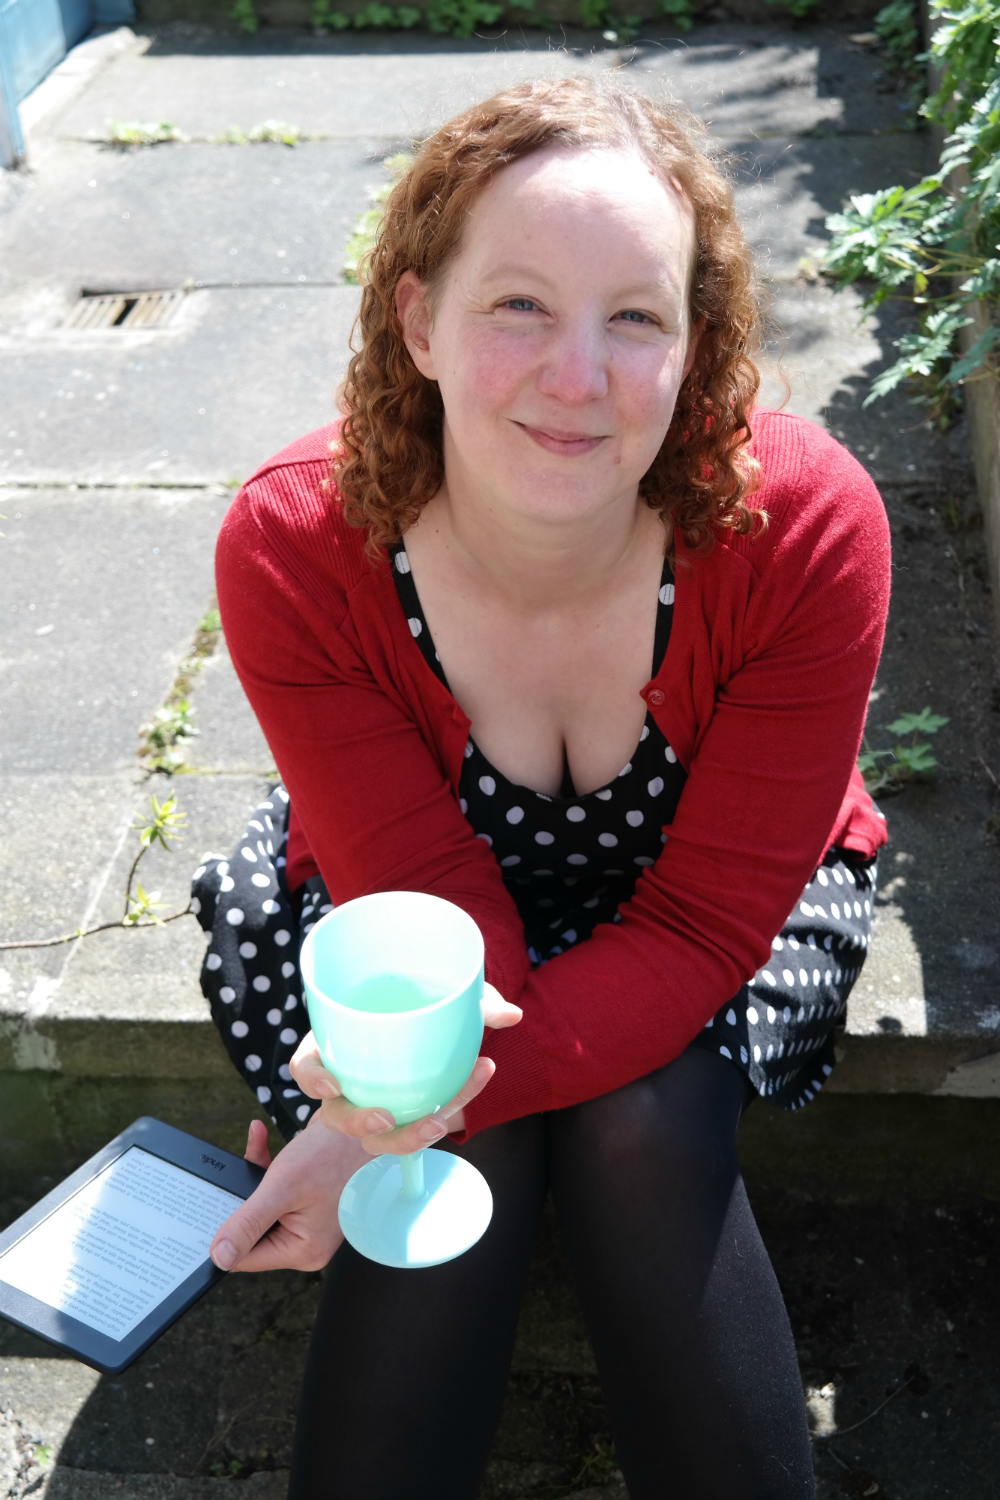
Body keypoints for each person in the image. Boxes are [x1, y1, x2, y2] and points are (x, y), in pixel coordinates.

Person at [192, 77, 890, 1500]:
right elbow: (426, 899)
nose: (578, 376)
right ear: (417, 322)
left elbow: (701, 926)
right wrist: (393, 1113)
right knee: (453, 1122)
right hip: (413, 895)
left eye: (635, 317)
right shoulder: (296, 547)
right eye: (518, 304)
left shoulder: (807, 529)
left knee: (637, 1122)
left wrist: (364, 1133)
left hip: (725, 895)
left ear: (696, 349)